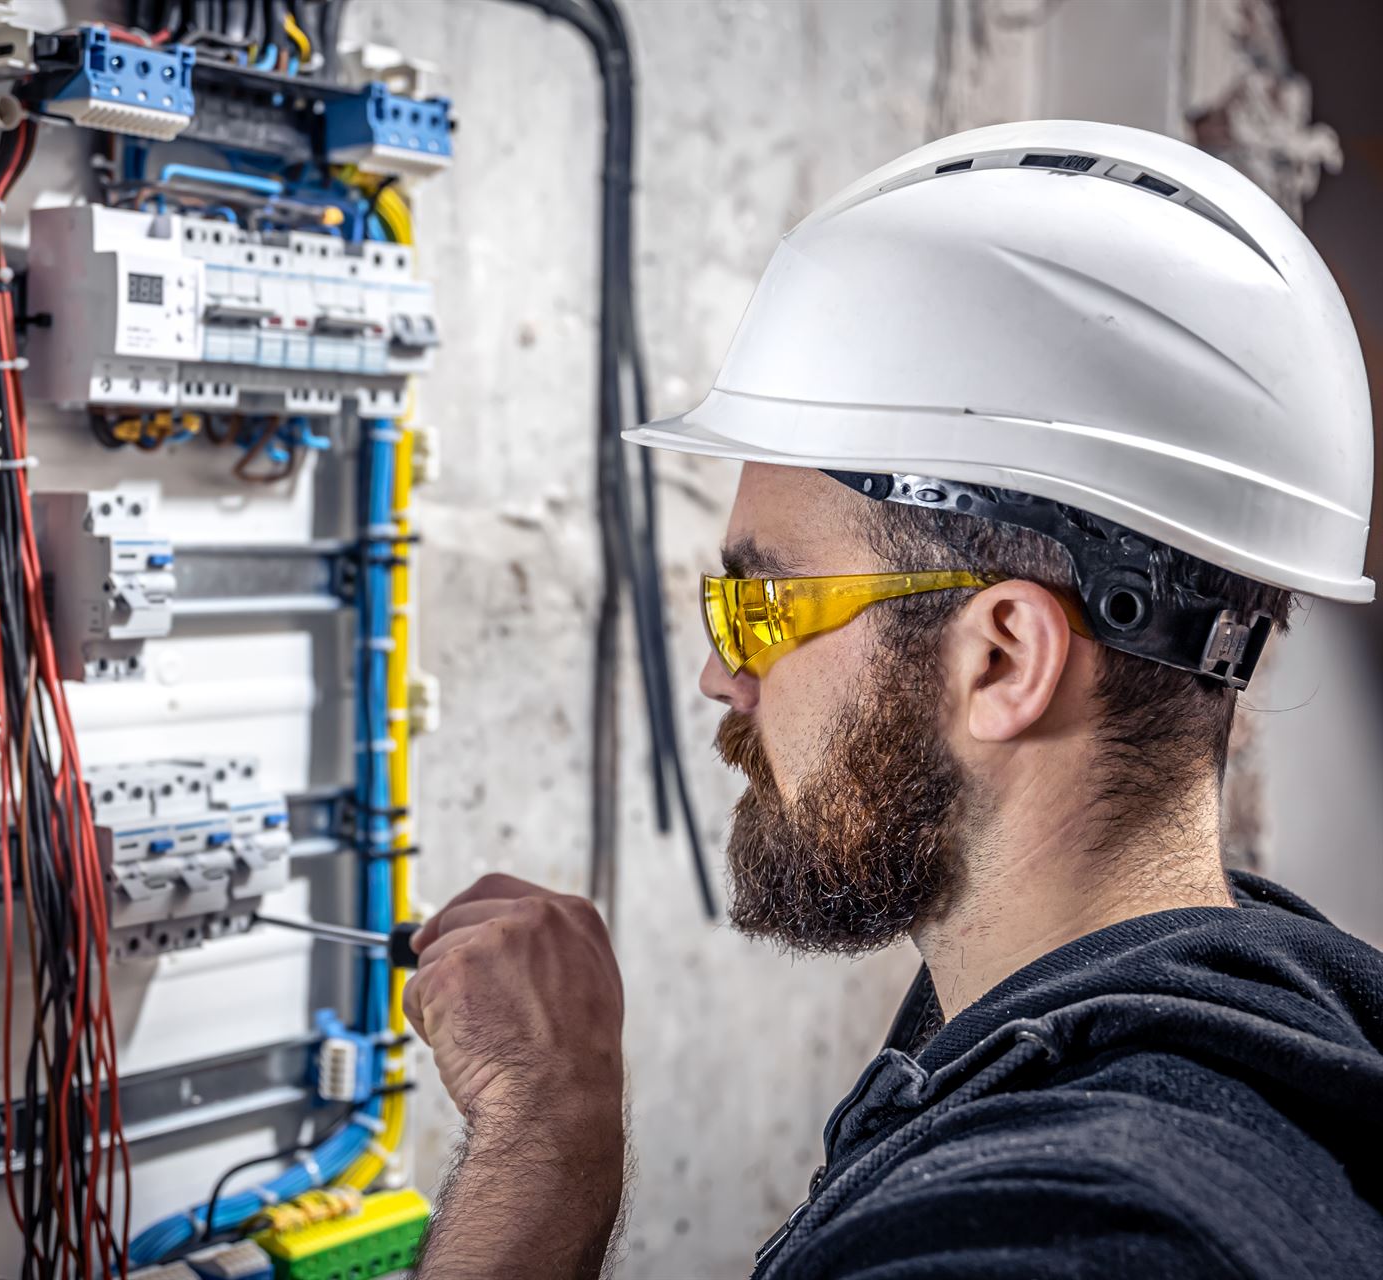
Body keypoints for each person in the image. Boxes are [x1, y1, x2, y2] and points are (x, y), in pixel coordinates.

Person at [403, 120, 1383, 1278]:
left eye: (762, 606)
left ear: (1003, 659)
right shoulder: (1255, 1028)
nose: (724, 672)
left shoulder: (1053, 1242)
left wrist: (539, 1150)